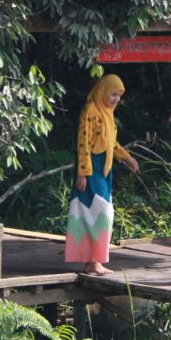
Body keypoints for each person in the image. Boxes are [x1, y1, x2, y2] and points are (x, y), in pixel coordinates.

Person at [65, 74, 139, 275]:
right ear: (103, 91)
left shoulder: (108, 113)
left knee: (100, 212)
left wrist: (126, 156)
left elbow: (110, 142)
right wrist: (82, 173)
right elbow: (83, 143)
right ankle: (93, 261)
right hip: (91, 168)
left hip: (104, 168)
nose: (116, 99)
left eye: (119, 96)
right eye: (113, 94)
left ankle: (92, 261)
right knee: (99, 212)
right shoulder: (90, 110)